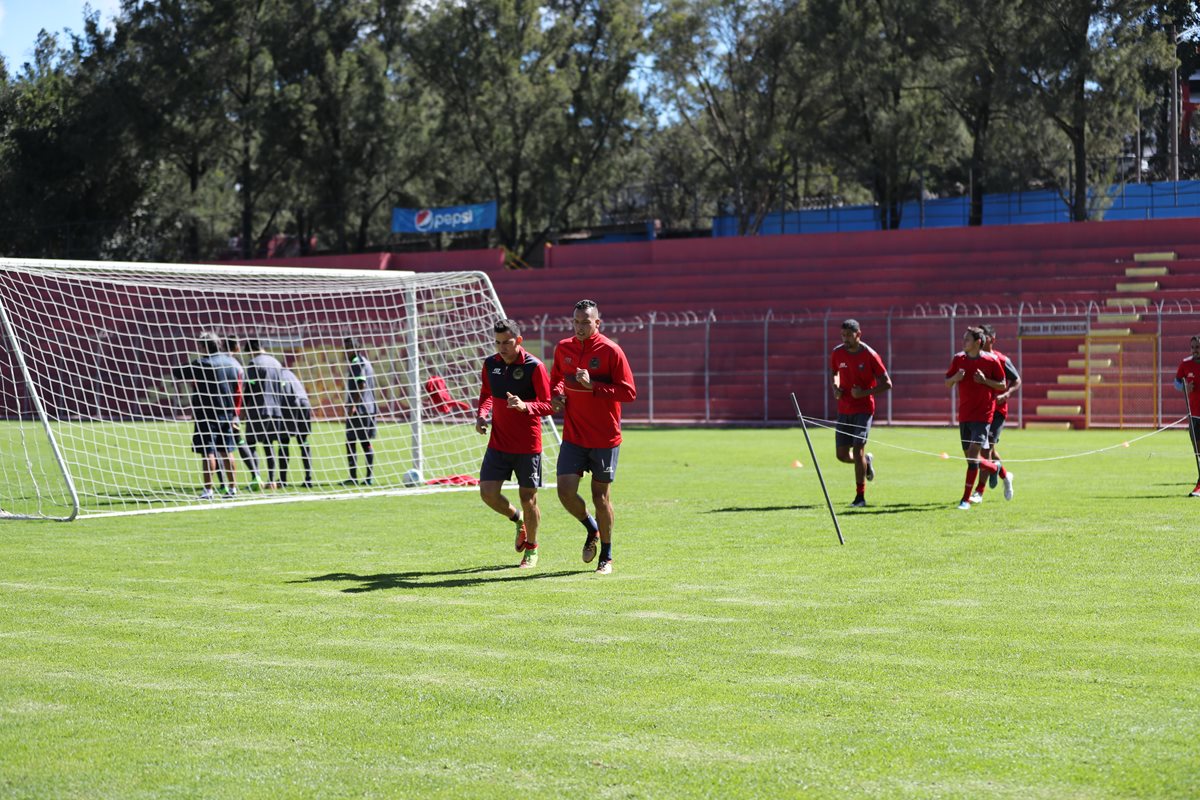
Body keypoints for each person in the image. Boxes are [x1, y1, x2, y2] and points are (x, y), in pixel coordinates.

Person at [549, 299, 637, 574]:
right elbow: (556, 380)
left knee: (600, 497)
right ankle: (591, 528)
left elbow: (629, 393)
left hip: (604, 437)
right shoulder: (563, 348)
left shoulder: (611, 351)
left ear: (597, 322)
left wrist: (594, 386)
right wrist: (557, 395)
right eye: (576, 322)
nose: (580, 327)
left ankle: (607, 557)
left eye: (585, 322)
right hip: (574, 435)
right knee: (564, 491)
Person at [476, 319, 554, 568]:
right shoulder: (491, 364)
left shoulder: (535, 366)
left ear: (518, 341)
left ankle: (532, 548)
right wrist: (481, 415)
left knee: (528, 499)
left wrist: (526, 406)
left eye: (507, 342)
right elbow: (487, 394)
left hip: (527, 446)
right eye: (497, 342)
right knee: (488, 493)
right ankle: (517, 519)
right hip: (498, 443)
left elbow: (550, 404)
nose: (501, 347)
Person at [173, 332, 244, 499]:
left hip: (206, 413)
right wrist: (235, 414)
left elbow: (178, 373)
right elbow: (237, 389)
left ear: (204, 347)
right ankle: (232, 488)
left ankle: (208, 490)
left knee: (208, 451)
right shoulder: (232, 363)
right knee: (227, 450)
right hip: (227, 413)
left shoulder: (203, 363)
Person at [829, 319, 892, 507]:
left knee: (857, 451)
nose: (845, 339)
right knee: (841, 455)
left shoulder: (870, 355)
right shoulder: (837, 353)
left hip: (863, 410)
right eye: (843, 335)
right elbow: (834, 372)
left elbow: (887, 383)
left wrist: (863, 393)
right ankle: (866, 462)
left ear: (859, 334)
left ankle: (860, 497)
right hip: (844, 409)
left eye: (848, 335)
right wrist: (836, 387)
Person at [945, 326, 1006, 510]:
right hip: (964, 415)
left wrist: (985, 381)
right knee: (971, 460)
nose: (964, 342)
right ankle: (995, 468)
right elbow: (948, 383)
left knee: (973, 456)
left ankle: (965, 500)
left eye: (967, 340)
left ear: (978, 342)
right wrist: (955, 377)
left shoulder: (991, 360)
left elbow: (1002, 384)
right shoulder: (958, 359)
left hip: (983, 415)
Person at [979, 324, 1018, 500]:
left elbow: (1017, 380)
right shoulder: (975, 358)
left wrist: (1007, 393)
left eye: (983, 336)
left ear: (991, 339)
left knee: (986, 447)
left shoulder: (1001, 360)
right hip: (980, 409)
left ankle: (979, 491)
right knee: (988, 450)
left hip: (997, 411)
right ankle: (1004, 474)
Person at [243, 338, 286, 489]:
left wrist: (242, 409)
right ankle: (272, 480)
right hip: (276, 410)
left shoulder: (254, 363)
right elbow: (282, 388)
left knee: (250, 444)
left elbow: (249, 388)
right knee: (269, 444)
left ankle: (257, 478)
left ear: (252, 350)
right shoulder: (277, 363)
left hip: (258, 410)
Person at [223, 337, 263, 491]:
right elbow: (241, 391)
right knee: (240, 442)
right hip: (234, 412)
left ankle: (223, 485)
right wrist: (238, 413)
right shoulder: (238, 366)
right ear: (237, 348)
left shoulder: (217, 363)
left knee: (218, 447)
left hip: (219, 410)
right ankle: (256, 476)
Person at [344, 337, 377, 486]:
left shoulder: (356, 362)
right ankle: (367, 477)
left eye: (349, 347)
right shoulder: (366, 362)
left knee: (351, 441)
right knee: (365, 442)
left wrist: (353, 405)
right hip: (369, 408)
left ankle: (354, 477)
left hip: (360, 409)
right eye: (345, 347)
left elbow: (361, 384)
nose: (346, 351)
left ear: (356, 347)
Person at [1174, 334, 1200, 497]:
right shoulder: (1185, 364)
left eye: (1197, 347)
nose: (1195, 350)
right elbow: (1176, 382)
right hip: (1195, 416)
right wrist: (1185, 387)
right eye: (1193, 347)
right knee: (1198, 452)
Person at [279, 367, 314, 488]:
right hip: (304, 403)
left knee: (283, 441)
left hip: (289, 404)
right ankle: (308, 478)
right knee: (303, 441)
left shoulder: (277, 375)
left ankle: (283, 480)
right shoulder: (291, 374)